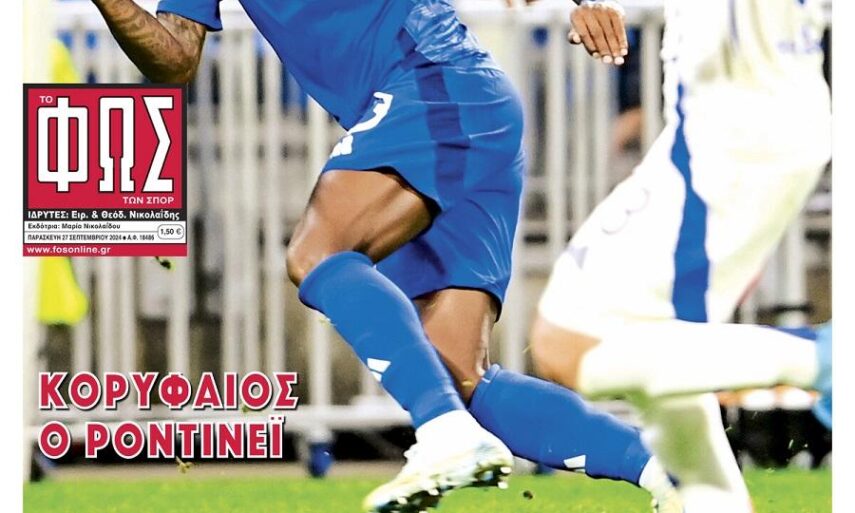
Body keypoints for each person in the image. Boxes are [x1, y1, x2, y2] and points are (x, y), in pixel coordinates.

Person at [90, 0, 681, 511]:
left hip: (432, 83)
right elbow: (176, 59)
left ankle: (443, 434)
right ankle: (672, 474)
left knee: (317, 251)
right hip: (454, 108)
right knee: (456, 376)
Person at [530, 0, 832, 511]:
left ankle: (824, 358)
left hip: (733, 128)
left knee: (567, 341)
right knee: (664, 356)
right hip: (758, 115)